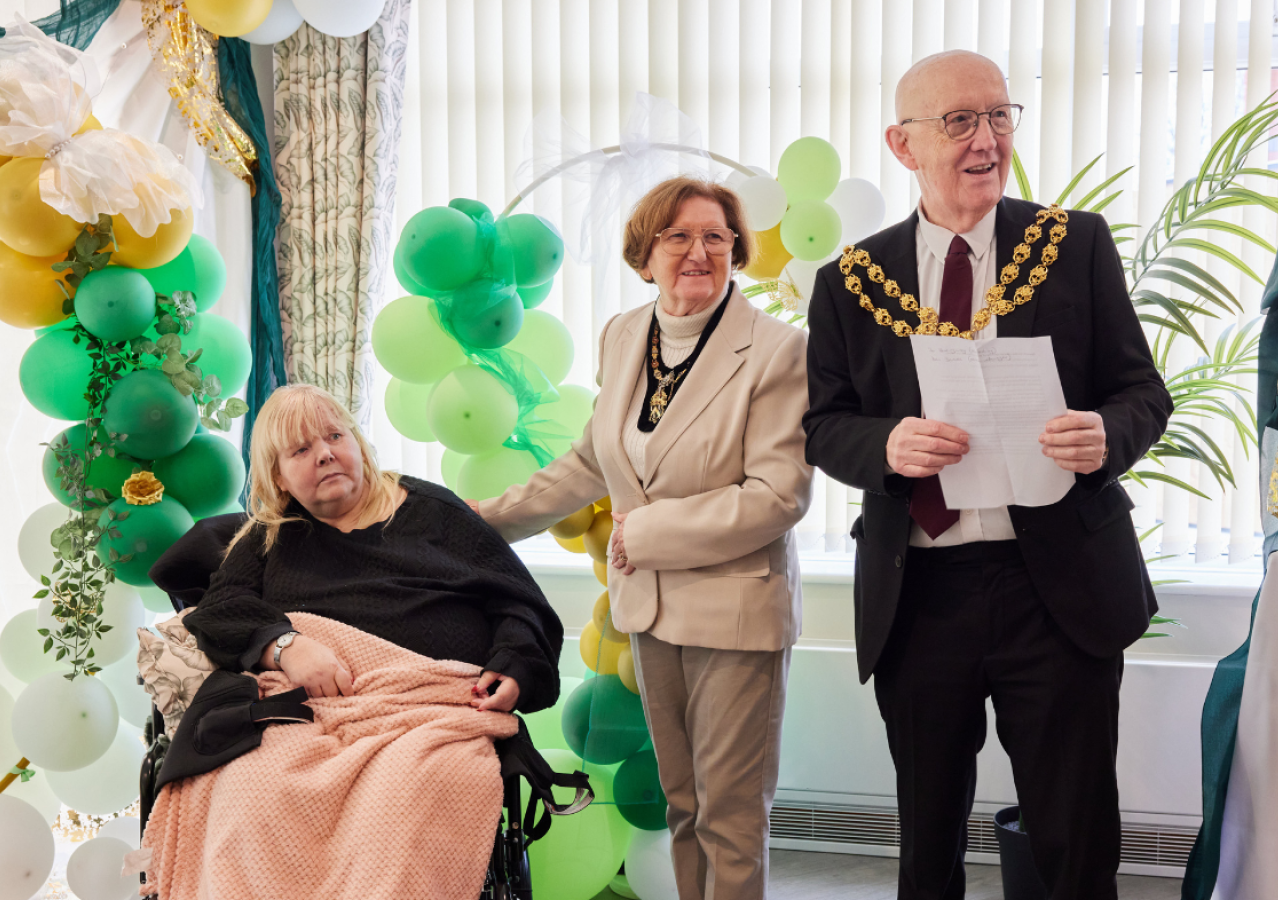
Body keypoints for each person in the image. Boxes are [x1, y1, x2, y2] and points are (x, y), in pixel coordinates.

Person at [802, 51, 1172, 900]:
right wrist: (886, 448)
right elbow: (824, 427)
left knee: (1076, 839)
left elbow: (1142, 392)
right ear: (904, 146)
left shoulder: (1073, 244)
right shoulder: (850, 283)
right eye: (960, 121)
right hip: (920, 592)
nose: (986, 140)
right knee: (928, 844)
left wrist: (1105, 434)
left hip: (1059, 587)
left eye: (999, 116)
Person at [474, 176, 813, 900]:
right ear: (645, 252)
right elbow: (595, 460)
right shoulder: (625, 335)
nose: (699, 252)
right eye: (678, 236)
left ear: (737, 250)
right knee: (681, 805)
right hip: (650, 610)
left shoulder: (779, 351)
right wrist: (482, 518)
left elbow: (777, 496)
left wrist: (647, 531)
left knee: (730, 816)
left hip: (735, 615)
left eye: (716, 237)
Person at [141, 383, 563, 899]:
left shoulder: (433, 513)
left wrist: (517, 663)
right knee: (250, 793)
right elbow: (221, 610)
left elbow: (520, 602)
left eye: (334, 436)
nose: (324, 454)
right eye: (300, 450)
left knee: (410, 798)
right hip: (307, 713)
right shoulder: (270, 534)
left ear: (357, 442)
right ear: (279, 475)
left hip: (429, 712)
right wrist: (286, 646)